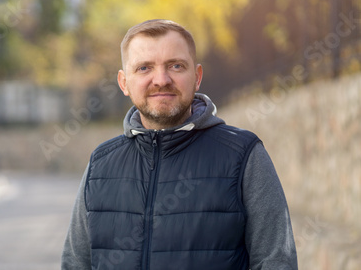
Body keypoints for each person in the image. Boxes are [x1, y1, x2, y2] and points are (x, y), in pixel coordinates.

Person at [61, 19, 298, 269]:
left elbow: (276, 261)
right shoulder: (100, 164)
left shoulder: (244, 156)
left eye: (175, 65)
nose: (161, 80)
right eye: (144, 68)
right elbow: (75, 263)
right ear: (123, 82)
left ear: (196, 77)